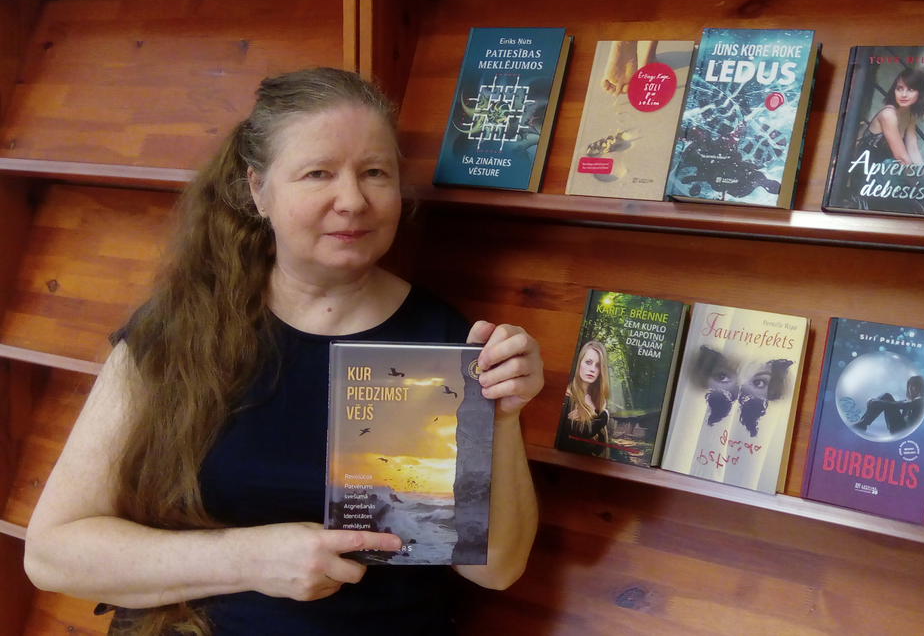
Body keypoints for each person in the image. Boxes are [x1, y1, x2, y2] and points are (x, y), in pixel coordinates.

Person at [23, 68, 543, 636]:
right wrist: (252, 558)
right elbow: (52, 553)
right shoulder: (179, 330)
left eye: (375, 173)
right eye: (318, 173)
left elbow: (497, 568)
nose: (353, 201)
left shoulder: (443, 342)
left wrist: (503, 416)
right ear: (258, 190)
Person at [853, 67, 924, 168]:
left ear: (920, 93)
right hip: (866, 169)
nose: (903, 95)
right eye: (899, 89)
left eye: (910, 89)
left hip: (885, 168)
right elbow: (901, 158)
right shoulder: (888, 115)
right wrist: (915, 178)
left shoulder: (910, 115)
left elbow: (913, 150)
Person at [557, 341, 611, 458]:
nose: (592, 369)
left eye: (598, 365)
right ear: (579, 363)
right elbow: (577, 435)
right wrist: (603, 418)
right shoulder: (566, 397)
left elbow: (598, 449)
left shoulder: (597, 401)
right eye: (588, 362)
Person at [853, 375, 924, 436]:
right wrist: (876, 402)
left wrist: (876, 402)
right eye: (909, 386)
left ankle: (863, 423)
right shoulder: (909, 401)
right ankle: (863, 422)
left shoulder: (921, 401)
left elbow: (899, 405)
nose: (910, 389)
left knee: (886, 400)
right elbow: (897, 403)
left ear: (920, 387)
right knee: (886, 396)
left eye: (913, 386)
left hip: (904, 430)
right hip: (900, 427)